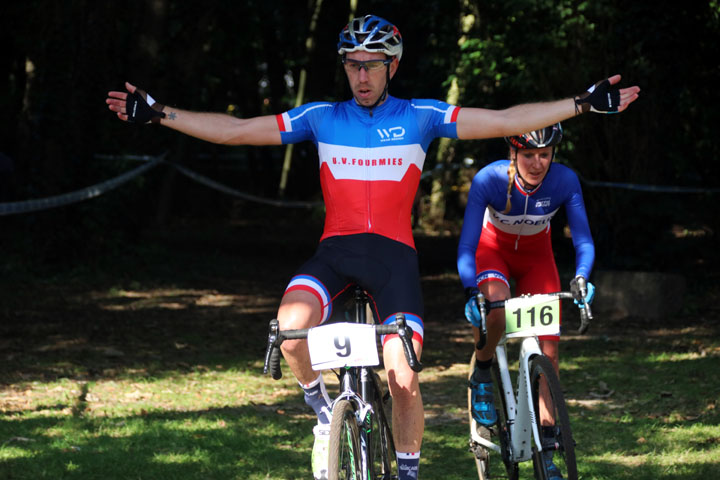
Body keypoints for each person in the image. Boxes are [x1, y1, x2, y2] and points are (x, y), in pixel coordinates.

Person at [106, 14, 639, 480]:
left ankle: (406, 474)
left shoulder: (421, 116)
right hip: (334, 252)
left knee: (403, 375)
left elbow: (503, 121)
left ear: (392, 66)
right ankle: (322, 413)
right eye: (353, 65)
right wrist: (160, 114)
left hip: (392, 259)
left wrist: (580, 105)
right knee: (290, 333)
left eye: (372, 64)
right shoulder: (320, 117)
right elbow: (235, 131)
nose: (361, 75)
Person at [457, 123, 595, 479]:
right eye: (528, 155)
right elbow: (468, 247)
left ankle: (546, 445)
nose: (537, 163)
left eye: (544, 155)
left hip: (537, 258)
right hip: (493, 252)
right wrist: (470, 289)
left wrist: (581, 276)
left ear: (554, 155)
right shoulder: (488, 180)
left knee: (549, 351)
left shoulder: (564, 181)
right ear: (513, 154)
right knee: (497, 308)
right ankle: (484, 372)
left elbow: (583, 241)